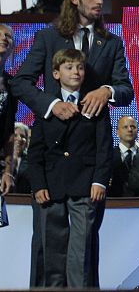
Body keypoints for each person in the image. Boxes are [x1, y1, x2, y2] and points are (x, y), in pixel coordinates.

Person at [11, 0, 133, 287]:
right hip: (51, 152)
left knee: (85, 244)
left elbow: (126, 89)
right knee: (47, 245)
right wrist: (51, 105)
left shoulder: (112, 42)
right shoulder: (48, 37)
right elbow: (21, 82)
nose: (100, 2)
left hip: (90, 155)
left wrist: (106, 90)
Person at [27, 48, 112, 288]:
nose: (76, 71)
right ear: (55, 73)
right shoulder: (47, 105)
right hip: (51, 187)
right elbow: (36, 152)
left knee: (81, 251)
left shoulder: (94, 104)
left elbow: (104, 148)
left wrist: (99, 181)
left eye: (80, 67)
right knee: (52, 250)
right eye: (69, 67)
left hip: (85, 185)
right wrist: (39, 184)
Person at [1, 23, 18, 196]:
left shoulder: (11, 84)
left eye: (8, 35)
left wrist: (8, 170)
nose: (4, 38)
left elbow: (9, 132)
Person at [109, 116, 139, 197]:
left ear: (137, 131)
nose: (130, 130)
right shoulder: (109, 156)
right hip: (115, 202)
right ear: (117, 132)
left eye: (133, 127)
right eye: (125, 127)